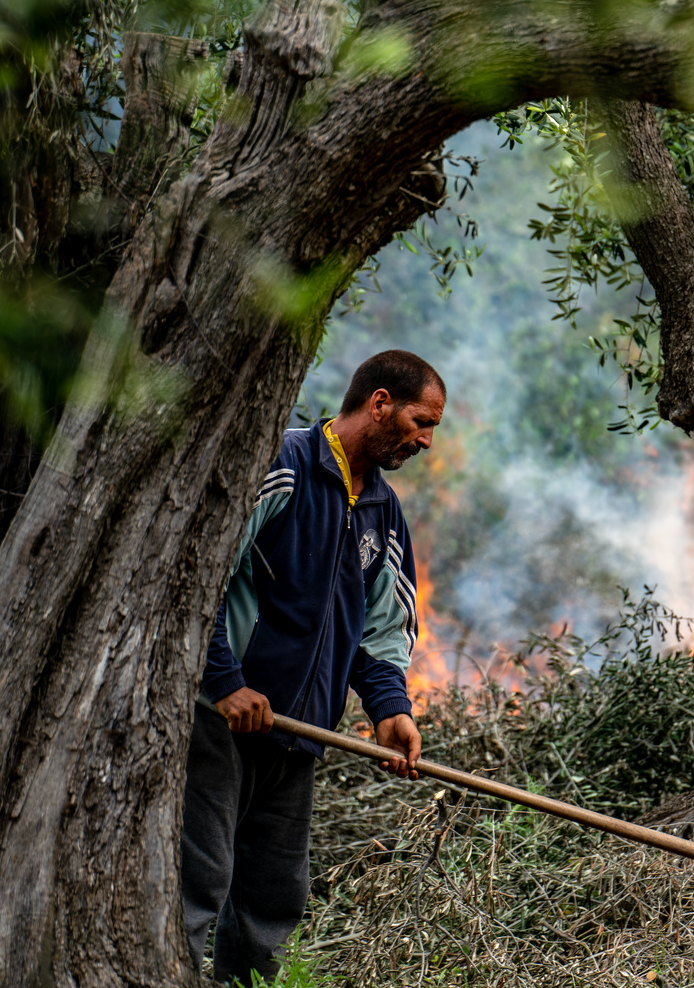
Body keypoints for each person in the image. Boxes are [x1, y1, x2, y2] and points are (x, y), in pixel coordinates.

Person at [181, 349, 444, 984]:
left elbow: (383, 634)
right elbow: (198, 576)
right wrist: (224, 682)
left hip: (299, 737)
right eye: (420, 421)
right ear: (379, 403)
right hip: (222, 721)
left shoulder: (384, 514)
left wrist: (390, 710)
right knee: (198, 878)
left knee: (274, 897)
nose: (427, 440)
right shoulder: (283, 465)